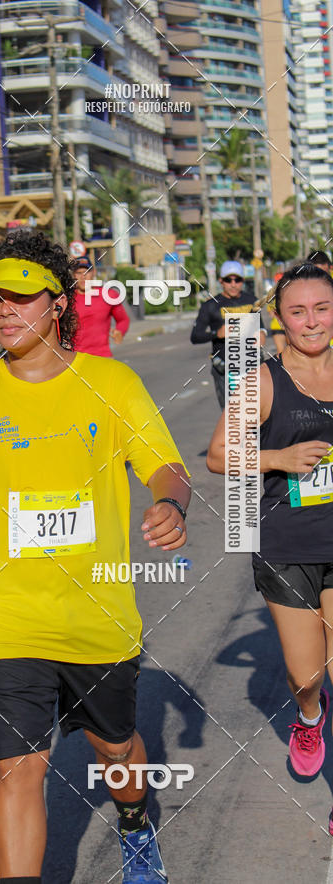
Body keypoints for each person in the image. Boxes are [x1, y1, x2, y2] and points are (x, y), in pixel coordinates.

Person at [0, 230, 191, 883]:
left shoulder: (111, 382)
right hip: (8, 618)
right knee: (18, 767)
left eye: (22, 297)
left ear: (58, 304)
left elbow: (165, 467)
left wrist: (170, 504)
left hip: (97, 615)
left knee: (115, 750)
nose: (5, 311)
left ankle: (135, 823)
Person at [207, 264, 333, 827]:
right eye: (298, 311)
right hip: (287, 543)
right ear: (279, 319)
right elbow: (216, 457)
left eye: (322, 308)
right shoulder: (262, 379)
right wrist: (279, 459)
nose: (312, 321)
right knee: (308, 675)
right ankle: (309, 716)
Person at [190, 260, 266, 408]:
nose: (233, 284)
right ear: (221, 281)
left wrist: (262, 334)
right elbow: (195, 336)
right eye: (228, 280)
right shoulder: (211, 305)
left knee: (258, 414)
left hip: (252, 365)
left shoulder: (252, 301)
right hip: (225, 369)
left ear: (242, 281)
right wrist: (216, 333)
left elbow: (260, 327)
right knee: (233, 417)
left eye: (237, 280)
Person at [72, 255, 130, 357]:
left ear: (93, 272)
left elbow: (123, 320)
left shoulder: (108, 295)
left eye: (87, 272)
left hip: (103, 356)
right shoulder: (66, 300)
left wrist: (120, 331)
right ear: (73, 275)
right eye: (79, 273)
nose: (83, 276)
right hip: (75, 359)